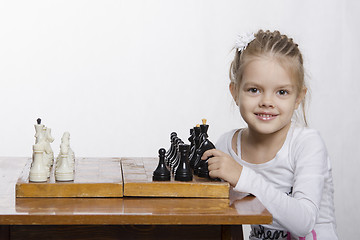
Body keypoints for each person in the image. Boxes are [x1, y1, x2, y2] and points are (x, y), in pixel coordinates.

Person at [202, 30, 338, 239]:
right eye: (254, 90)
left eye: (282, 92)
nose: (267, 101)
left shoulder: (307, 144)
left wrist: (243, 177)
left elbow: (304, 222)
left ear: (298, 97)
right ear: (235, 92)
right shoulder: (227, 145)